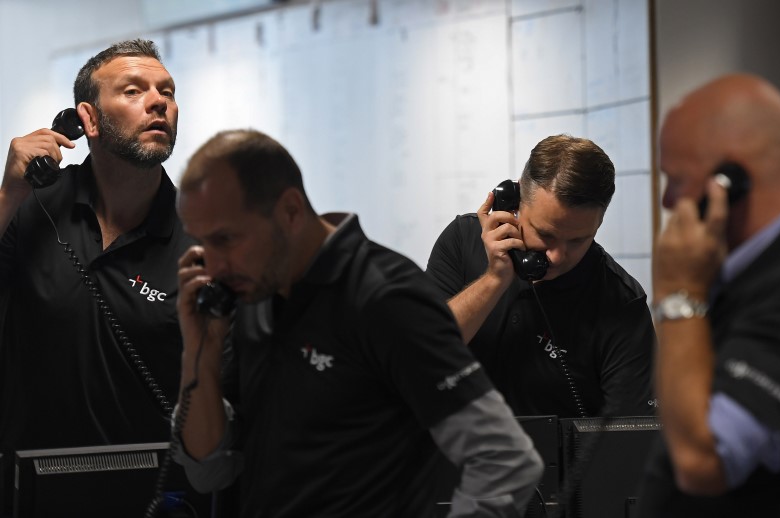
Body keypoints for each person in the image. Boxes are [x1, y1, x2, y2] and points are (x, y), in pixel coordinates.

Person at [174, 129, 543, 517]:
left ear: (290, 211)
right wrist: (199, 352)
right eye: (202, 243)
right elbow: (207, 470)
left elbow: (506, 460)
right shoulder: (253, 289)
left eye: (226, 239)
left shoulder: (386, 297)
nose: (212, 266)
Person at [0, 39, 191, 509]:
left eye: (166, 91)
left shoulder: (198, 232)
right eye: (133, 90)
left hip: (152, 494)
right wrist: (7, 193)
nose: (158, 102)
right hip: (29, 489)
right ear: (85, 120)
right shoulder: (31, 207)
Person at [636, 74, 780, 517]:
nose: (669, 201)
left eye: (677, 179)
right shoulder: (747, 269)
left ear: (732, 180)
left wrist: (678, 293)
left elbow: (701, 461)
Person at [426, 134, 655, 418]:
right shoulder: (462, 240)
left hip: (555, 461)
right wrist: (493, 280)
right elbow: (421, 353)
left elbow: (630, 441)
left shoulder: (621, 303)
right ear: (514, 204)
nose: (557, 256)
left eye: (578, 241)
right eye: (546, 234)